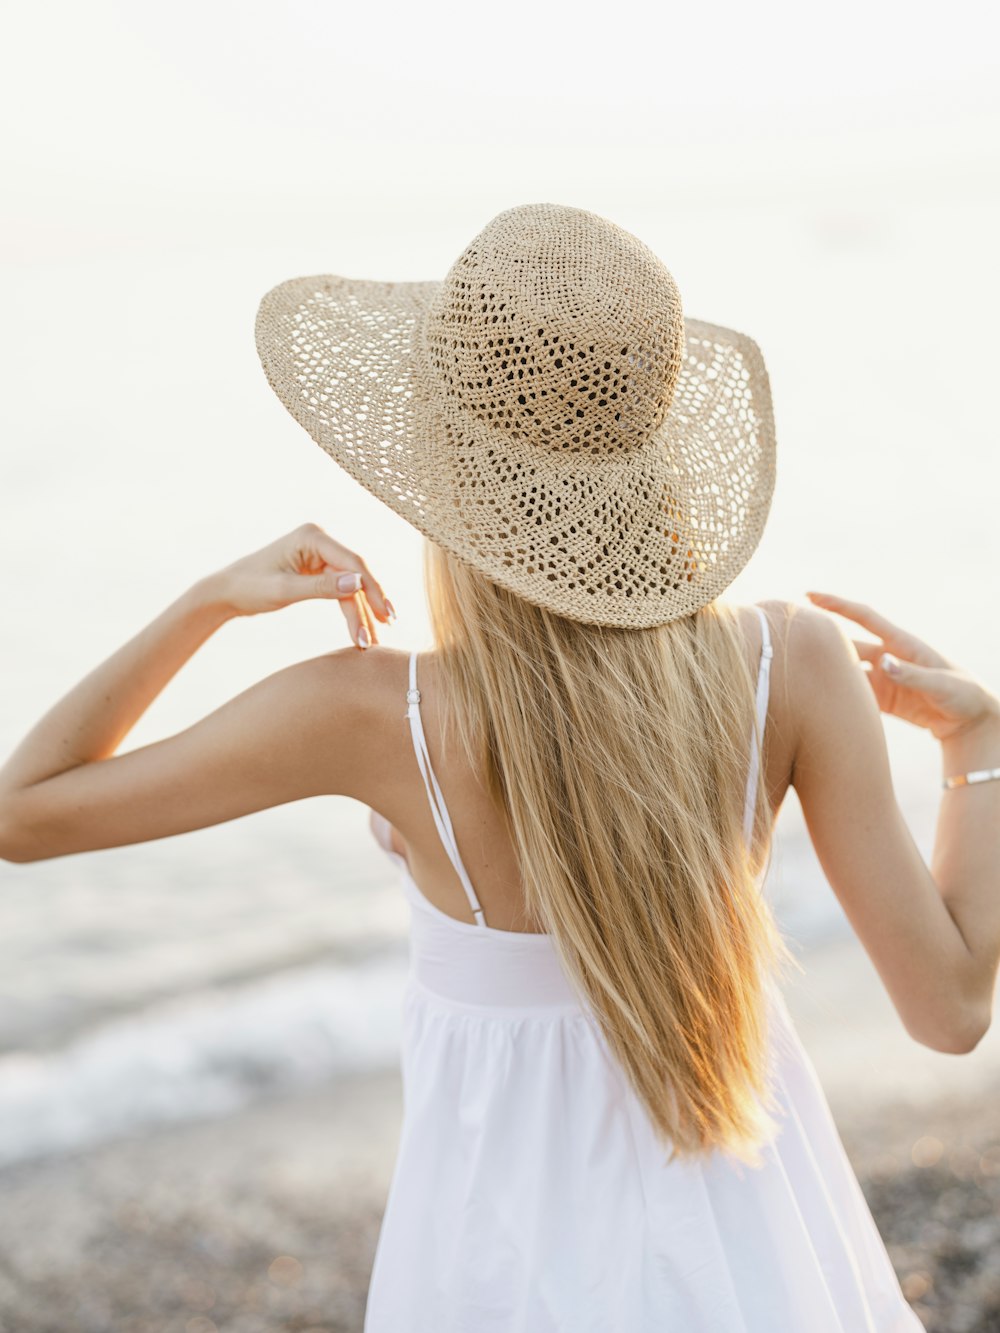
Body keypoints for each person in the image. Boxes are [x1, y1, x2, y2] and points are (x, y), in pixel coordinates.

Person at [1, 203, 997, 1332]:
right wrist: (978, 747)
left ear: (438, 458)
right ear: (656, 447)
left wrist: (210, 601)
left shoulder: (377, 713)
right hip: (747, 1225)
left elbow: (26, 812)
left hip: (491, 1260)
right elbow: (952, 1009)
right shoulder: (790, 661)